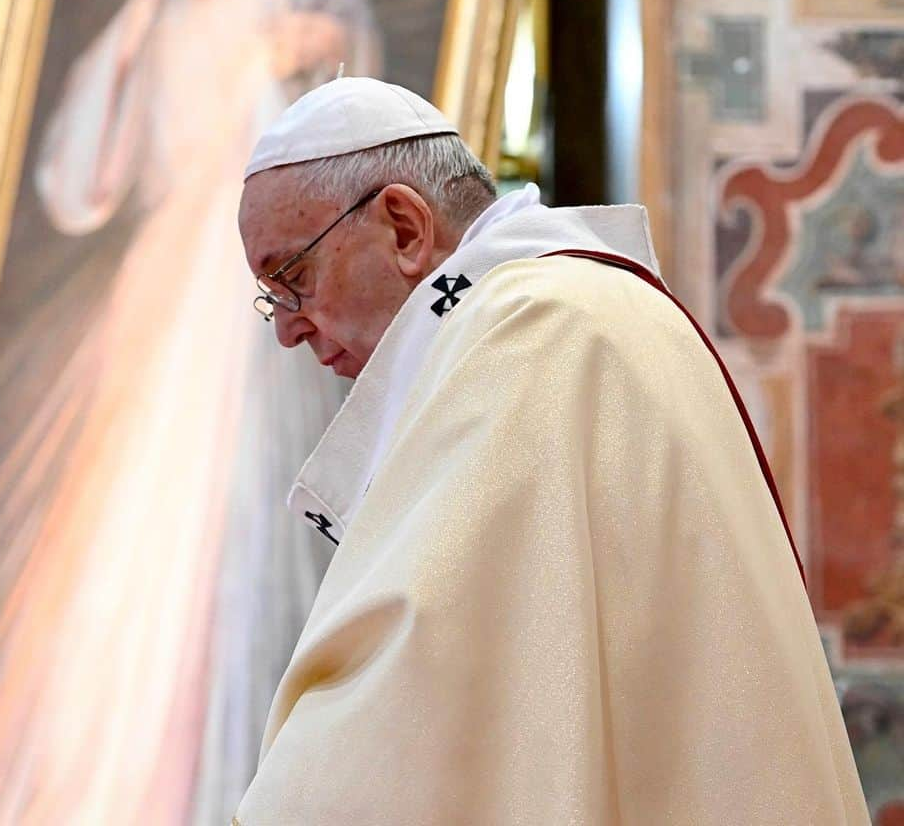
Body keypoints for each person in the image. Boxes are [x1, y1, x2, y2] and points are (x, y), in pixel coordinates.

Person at [232, 76, 870, 824]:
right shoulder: (582, 307)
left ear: (404, 228)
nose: (287, 328)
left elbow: (411, 690)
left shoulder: (528, 331)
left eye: (292, 279)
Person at [0, 0, 380, 825]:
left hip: (241, 305)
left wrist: (314, 52)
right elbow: (84, 182)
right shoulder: (179, 0)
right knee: (110, 543)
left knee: (214, 543)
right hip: (153, 304)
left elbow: (368, 138)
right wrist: (138, 7)